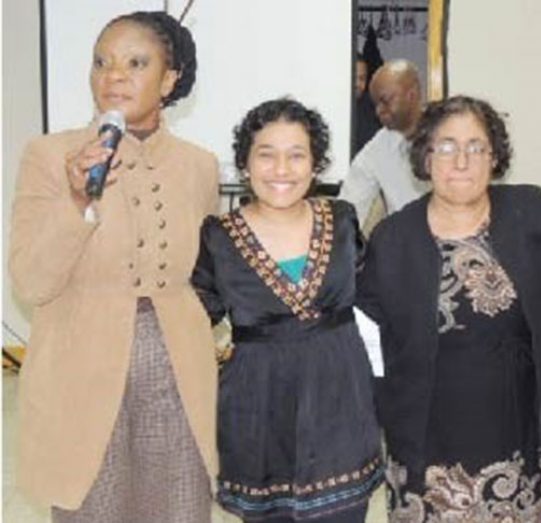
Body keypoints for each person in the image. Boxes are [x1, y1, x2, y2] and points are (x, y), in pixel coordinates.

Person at [9, 11, 219, 522]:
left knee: (178, 507)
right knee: (94, 509)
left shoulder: (199, 165)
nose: (114, 76)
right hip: (81, 367)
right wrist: (78, 200)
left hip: (178, 369)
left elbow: (209, 274)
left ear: (170, 80)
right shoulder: (51, 155)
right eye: (101, 62)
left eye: (135, 62)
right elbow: (31, 281)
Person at [357, 95, 541, 521]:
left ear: (494, 157)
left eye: (475, 147)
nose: (460, 160)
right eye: (446, 146)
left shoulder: (533, 215)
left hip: (518, 446)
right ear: (426, 157)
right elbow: (366, 339)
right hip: (425, 450)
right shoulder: (392, 239)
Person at [191, 98, 383, 523]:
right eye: (266, 154)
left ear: (316, 165)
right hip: (258, 412)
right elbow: (189, 319)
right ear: (244, 164)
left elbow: (380, 302)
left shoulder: (343, 220)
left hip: (342, 407)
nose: (282, 169)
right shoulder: (218, 237)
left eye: (297, 155)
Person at [339, 59, 428, 224]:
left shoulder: (448, 133)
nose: (379, 110)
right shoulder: (378, 148)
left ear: (412, 94)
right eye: (375, 104)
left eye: (385, 101)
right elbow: (351, 206)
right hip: (406, 243)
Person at [352, 54, 381, 158]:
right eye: (353, 77)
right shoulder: (330, 105)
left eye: (362, 78)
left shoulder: (374, 107)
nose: (357, 84)